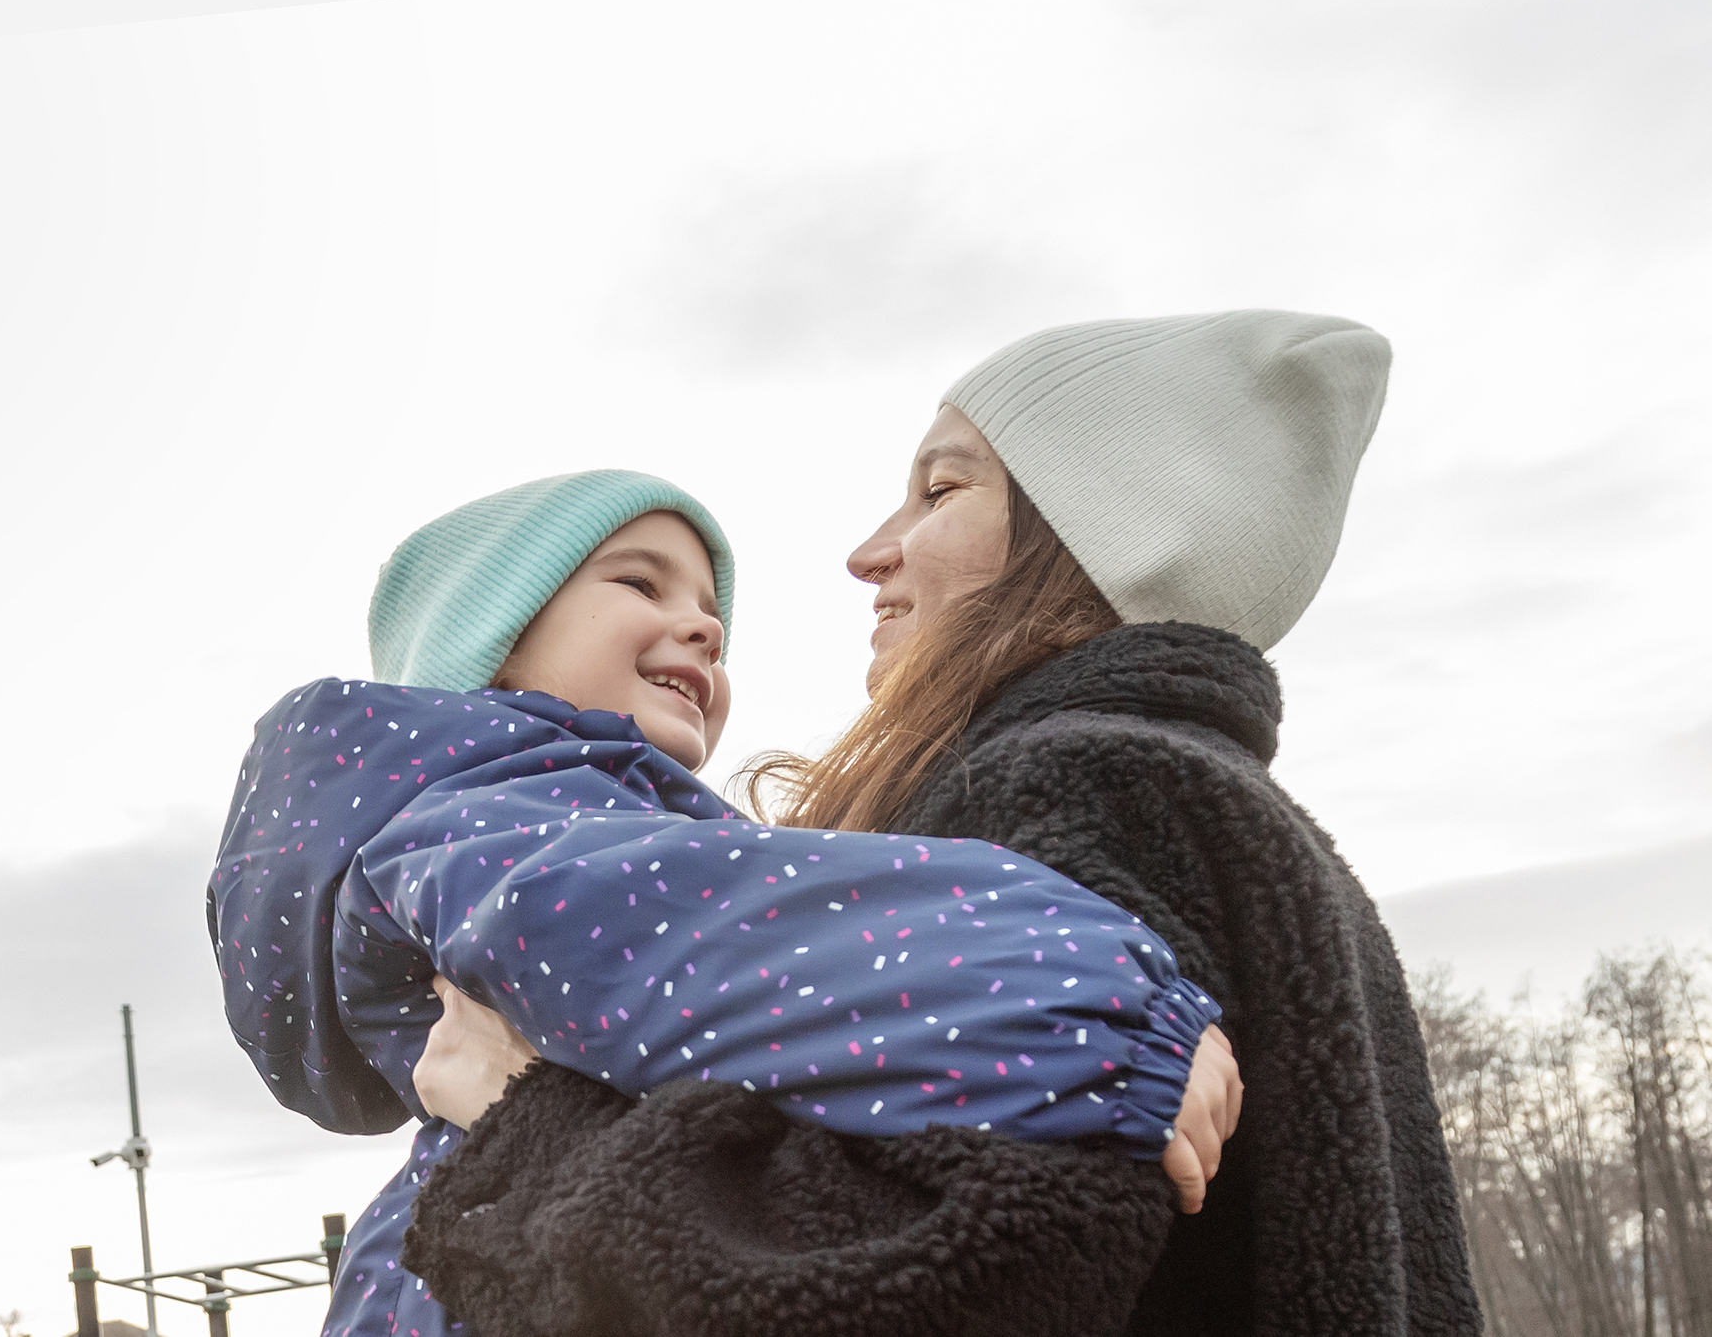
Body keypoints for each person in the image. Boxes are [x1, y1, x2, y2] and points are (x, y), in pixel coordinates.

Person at [402, 310, 1476, 1336]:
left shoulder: (1077, 788)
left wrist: (520, 1126)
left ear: (1104, 535)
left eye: (939, 489)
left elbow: (914, 1287)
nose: (872, 551)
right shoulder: (1255, 835)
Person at [208, 470, 1243, 1337]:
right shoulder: (486, 825)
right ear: (492, 636)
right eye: (641, 583)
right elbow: (731, 947)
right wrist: (1102, 1014)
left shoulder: (523, 825)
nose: (700, 626)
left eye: (711, 610)